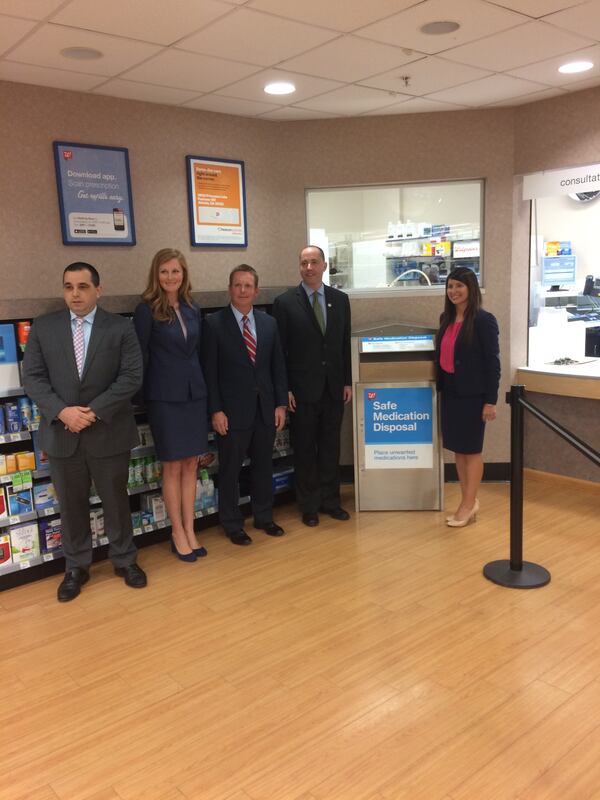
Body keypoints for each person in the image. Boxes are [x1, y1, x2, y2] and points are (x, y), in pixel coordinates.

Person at [23, 262, 147, 601]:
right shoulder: (43, 327)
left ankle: (124, 559)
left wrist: (93, 412)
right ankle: (76, 566)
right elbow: (32, 378)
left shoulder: (120, 328)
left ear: (98, 289)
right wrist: (63, 411)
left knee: (116, 501)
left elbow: (131, 377)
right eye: (68, 287)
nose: (74, 293)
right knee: (72, 506)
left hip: (107, 431)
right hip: (63, 433)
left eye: (82, 286)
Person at [133, 248, 211, 562]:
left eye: (175, 271)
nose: (170, 277)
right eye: (164, 271)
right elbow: (140, 355)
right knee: (172, 465)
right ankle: (176, 531)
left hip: (194, 394)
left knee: (192, 462)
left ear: (183, 274)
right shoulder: (146, 309)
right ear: (156, 274)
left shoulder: (193, 307)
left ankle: (191, 528)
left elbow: (200, 352)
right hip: (164, 397)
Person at [202, 265, 288, 545]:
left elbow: (277, 367)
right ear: (230, 289)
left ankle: (264, 517)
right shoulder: (214, 324)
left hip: (264, 410)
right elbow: (210, 373)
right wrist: (216, 410)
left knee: (264, 466)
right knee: (230, 471)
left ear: (256, 290)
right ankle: (232, 523)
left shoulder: (268, 323)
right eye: (237, 285)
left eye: (248, 286)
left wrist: (279, 404)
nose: (242, 290)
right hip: (231, 413)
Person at [272, 245, 352, 527]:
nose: (309, 267)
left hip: (333, 389)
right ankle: (308, 506)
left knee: (331, 447)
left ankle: (331, 501)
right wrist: (286, 391)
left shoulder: (340, 300)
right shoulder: (284, 303)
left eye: (314, 262)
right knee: (305, 449)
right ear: (299, 266)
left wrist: (346, 381)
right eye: (304, 263)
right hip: (301, 391)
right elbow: (279, 352)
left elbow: (343, 344)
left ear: (324, 265)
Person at [436, 266, 500, 528]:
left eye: (459, 286)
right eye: (450, 286)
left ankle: (468, 504)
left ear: (471, 289)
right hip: (451, 394)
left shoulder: (484, 320)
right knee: (459, 452)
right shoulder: (446, 319)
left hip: (474, 396)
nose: (454, 291)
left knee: (471, 451)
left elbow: (492, 363)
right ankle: (468, 501)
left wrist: (490, 400)